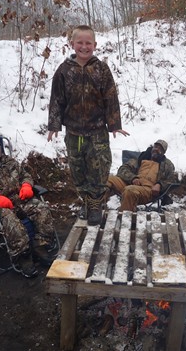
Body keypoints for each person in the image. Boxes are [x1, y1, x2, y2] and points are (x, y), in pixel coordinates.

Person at [47, 25, 129, 225]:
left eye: (88, 43)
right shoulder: (64, 70)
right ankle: (85, 201)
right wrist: (54, 125)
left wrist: (114, 124)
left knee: (99, 168)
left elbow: (111, 97)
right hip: (73, 131)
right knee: (78, 169)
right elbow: (57, 98)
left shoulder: (101, 69)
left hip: (97, 131)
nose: (84, 47)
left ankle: (95, 204)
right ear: (72, 44)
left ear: (95, 45)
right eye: (80, 42)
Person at [0, 135, 58, 278]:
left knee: (42, 209)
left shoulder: (11, 162)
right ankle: (23, 256)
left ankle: (41, 246)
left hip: (20, 199)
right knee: (11, 221)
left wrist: (27, 185)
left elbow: (25, 175)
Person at [107, 140, 178, 212]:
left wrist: (159, 185)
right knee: (107, 180)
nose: (156, 149)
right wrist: (132, 178)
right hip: (131, 183)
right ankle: (97, 209)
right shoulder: (141, 158)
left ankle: (125, 218)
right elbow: (123, 169)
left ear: (163, 153)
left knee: (130, 190)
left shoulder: (167, 165)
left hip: (148, 191)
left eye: (160, 149)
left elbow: (171, 180)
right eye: (156, 147)